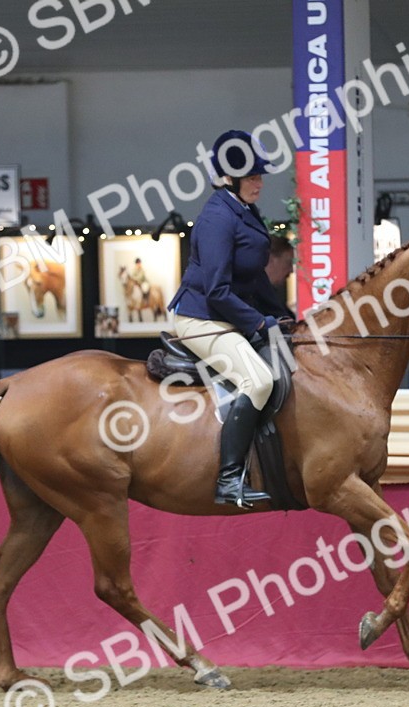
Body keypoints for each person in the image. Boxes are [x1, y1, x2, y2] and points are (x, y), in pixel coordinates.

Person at [168, 130, 284, 508]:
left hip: (225, 314)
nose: (259, 182)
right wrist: (258, 323)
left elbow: (255, 276)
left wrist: (284, 316)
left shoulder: (243, 210)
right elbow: (217, 291)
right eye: (252, 176)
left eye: (260, 175)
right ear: (230, 177)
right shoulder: (218, 218)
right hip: (200, 318)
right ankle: (229, 481)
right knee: (259, 380)